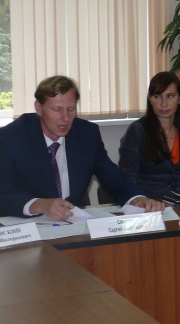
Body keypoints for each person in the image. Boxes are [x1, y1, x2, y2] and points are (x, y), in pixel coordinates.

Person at [0, 76, 164, 220]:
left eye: (71, 109)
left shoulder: (87, 133)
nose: (65, 118)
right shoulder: (11, 137)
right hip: (28, 225)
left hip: (74, 223)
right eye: (57, 109)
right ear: (38, 107)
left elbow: (111, 175)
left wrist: (136, 198)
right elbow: (3, 193)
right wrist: (41, 205)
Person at [118, 71, 180, 200]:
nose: (164, 103)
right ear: (150, 99)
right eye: (158, 96)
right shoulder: (137, 130)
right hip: (148, 202)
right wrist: (141, 201)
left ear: (179, 99)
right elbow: (127, 176)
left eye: (170, 96)